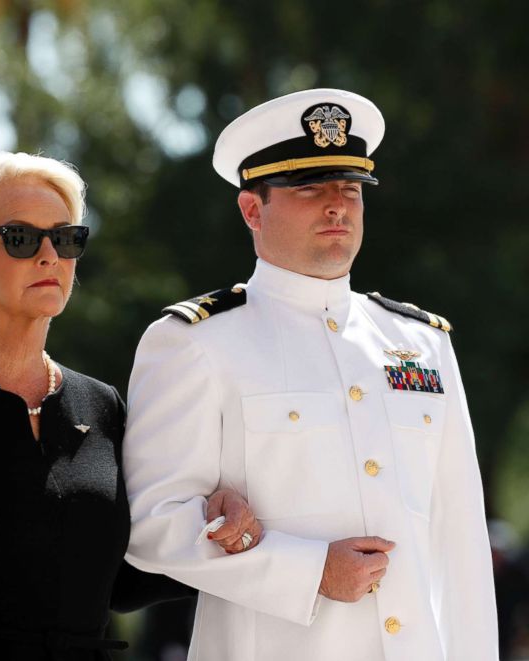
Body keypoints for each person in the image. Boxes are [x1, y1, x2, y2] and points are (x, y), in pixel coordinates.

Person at [122, 88, 498, 660]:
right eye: (309, 188)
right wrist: (311, 571)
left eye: (350, 188)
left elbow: (462, 543)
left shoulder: (421, 343)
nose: (337, 205)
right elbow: (152, 526)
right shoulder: (194, 343)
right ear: (252, 209)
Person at [0, 151, 262, 660]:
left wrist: (212, 528)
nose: (50, 256)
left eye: (65, 238)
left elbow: (123, 582)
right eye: (20, 238)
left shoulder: (101, 402)